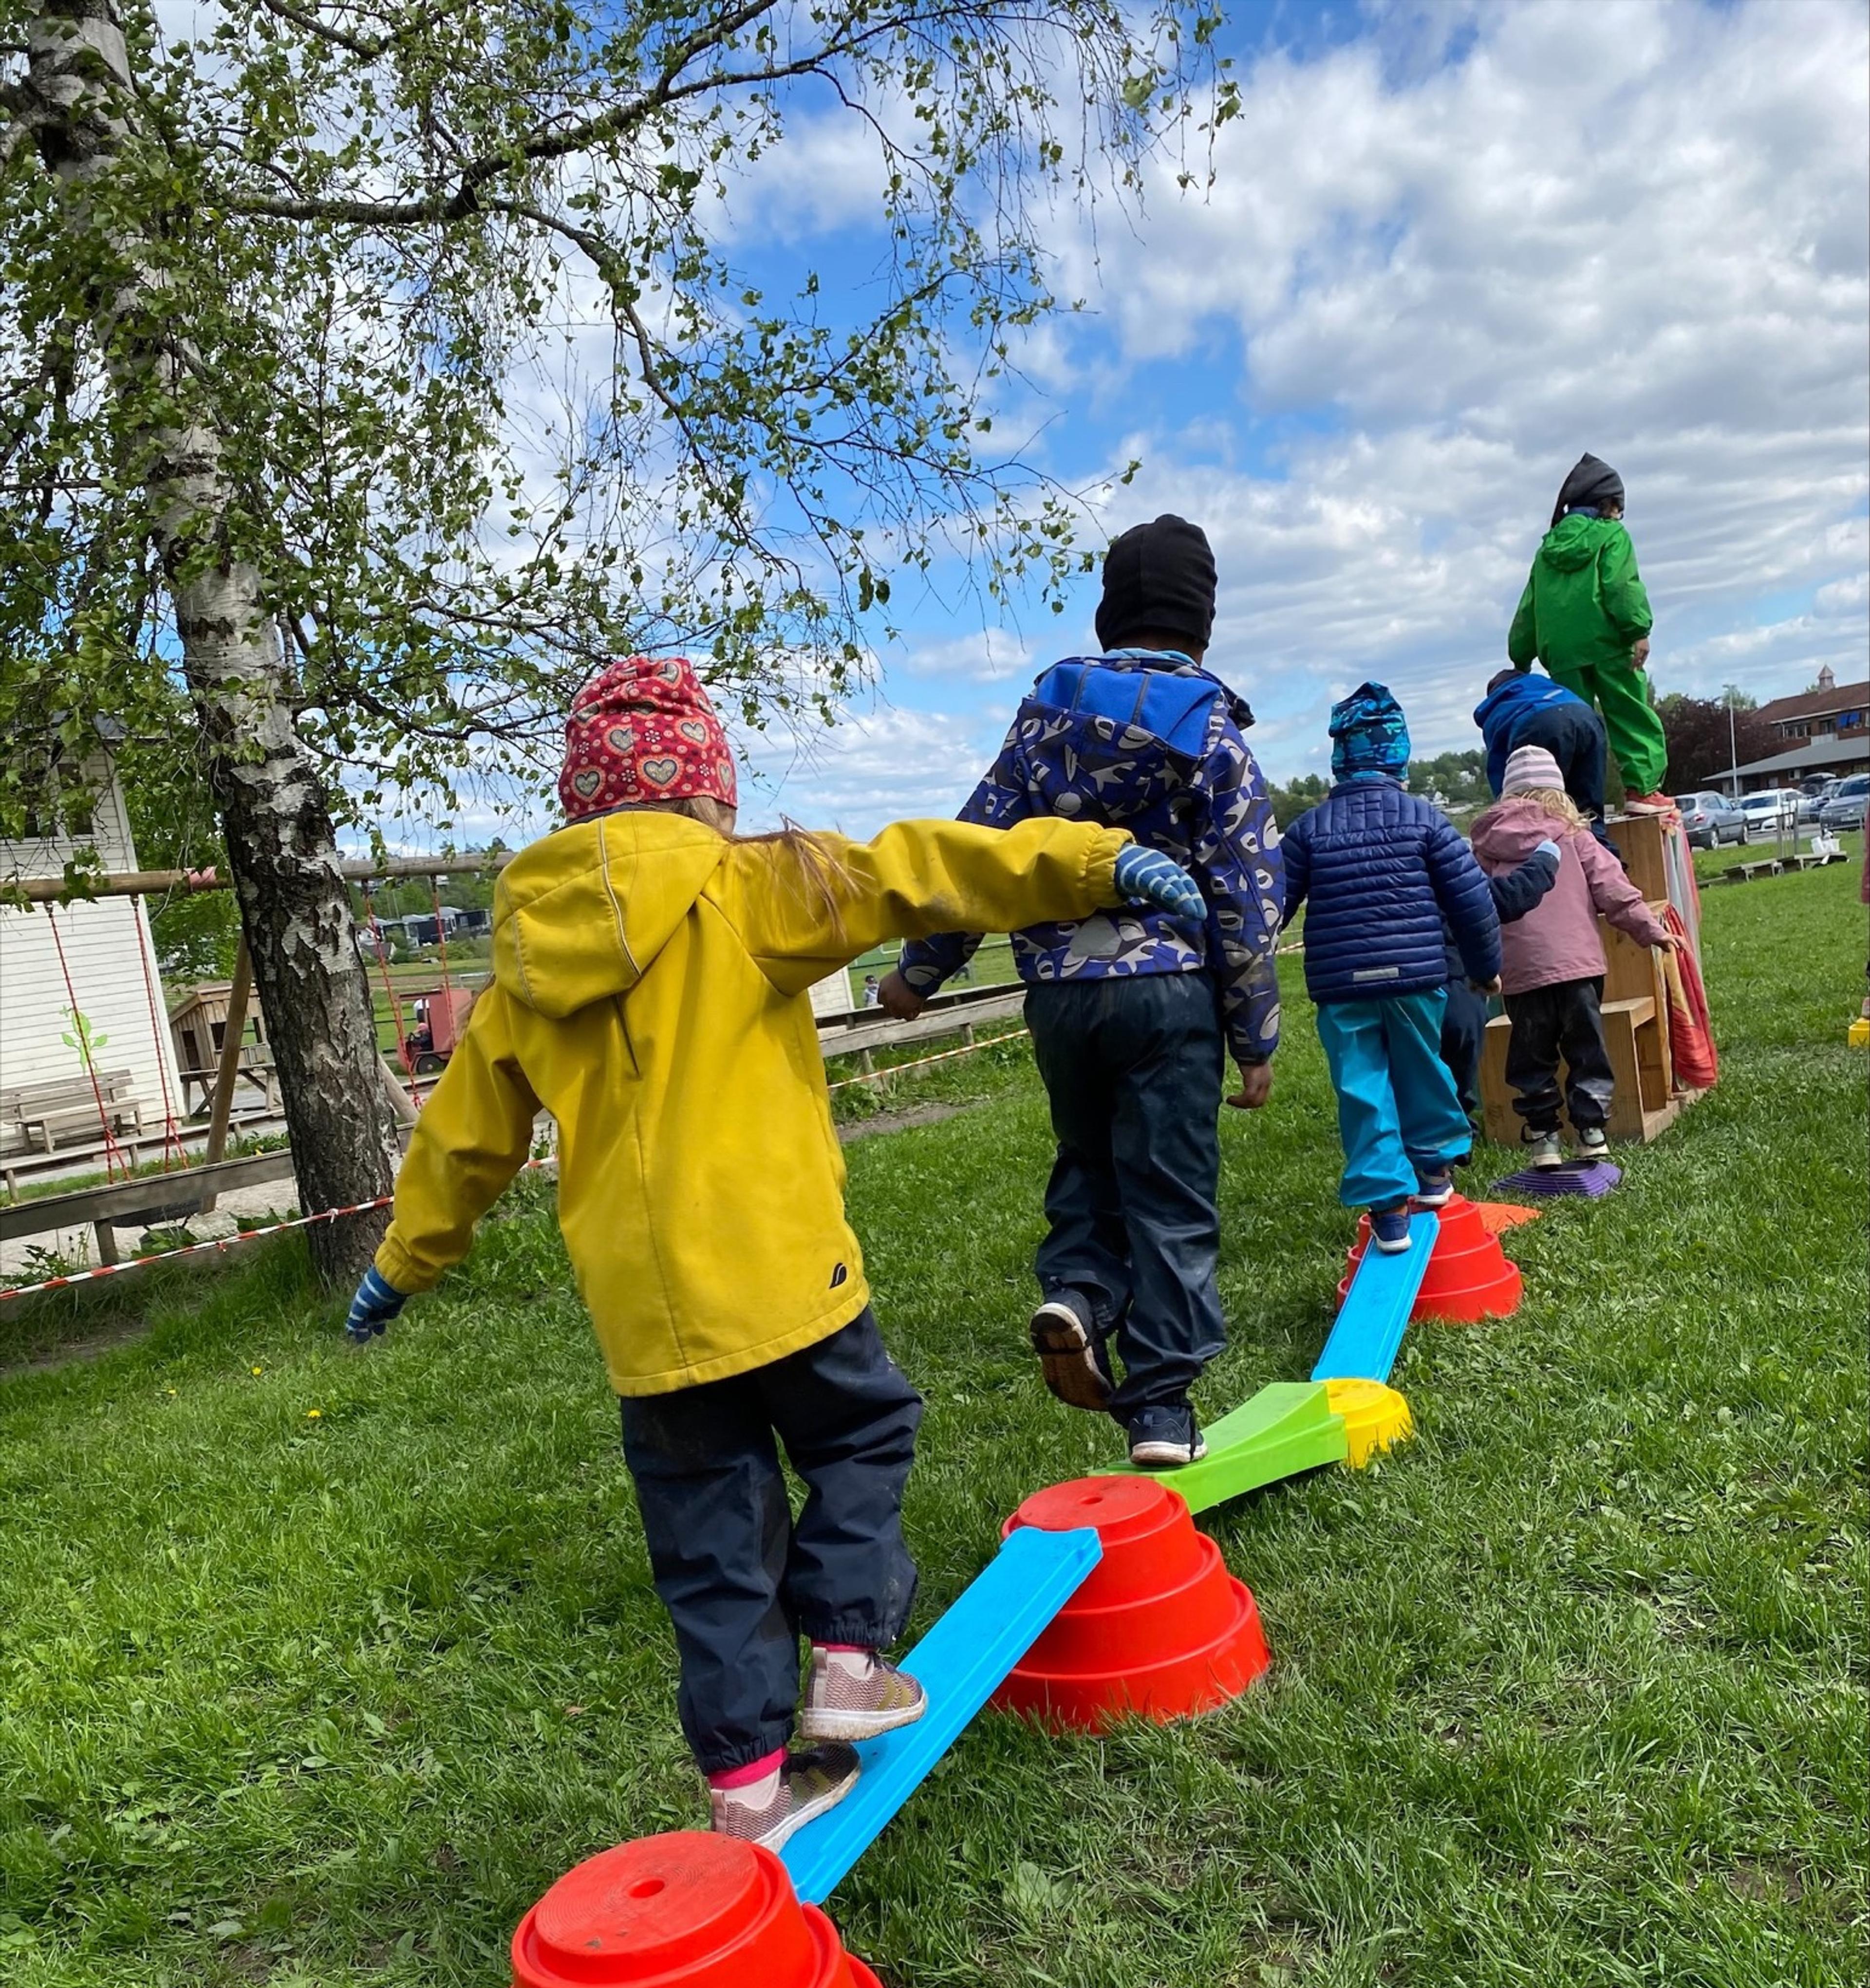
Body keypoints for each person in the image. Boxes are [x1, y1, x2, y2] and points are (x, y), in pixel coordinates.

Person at [342, 655, 1202, 1851]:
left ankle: (747, 1798)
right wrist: (1093, 862)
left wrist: (402, 1262)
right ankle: (847, 1663)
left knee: (709, 1547)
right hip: (787, 1278)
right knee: (862, 1431)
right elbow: (923, 869)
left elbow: (459, 1144)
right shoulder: (750, 887)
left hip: (647, 1324)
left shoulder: (524, 967)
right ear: (708, 794)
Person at [876, 513, 1283, 1469]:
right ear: (1202, 622)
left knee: (1089, 1162)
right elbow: (1245, 891)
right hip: (1168, 992)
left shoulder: (1040, 725)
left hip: (1062, 998)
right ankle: (1163, 1407)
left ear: (1108, 617)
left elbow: (977, 852)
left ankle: (1080, 1293)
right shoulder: (1212, 729)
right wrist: (1254, 1033)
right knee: (1170, 1188)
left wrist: (919, 970)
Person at [1282, 683, 1500, 1251]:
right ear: (1399, 755)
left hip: (1341, 985)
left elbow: (1268, 905)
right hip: (1416, 977)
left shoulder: (1308, 830)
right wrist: (1484, 970)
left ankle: (1388, 1210)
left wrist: (1244, 965)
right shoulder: (1424, 819)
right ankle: (1432, 1174)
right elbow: (1473, 904)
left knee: (1363, 1087)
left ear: (1339, 759)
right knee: (1423, 1070)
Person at [1471, 744, 1677, 1165]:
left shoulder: (1487, 847)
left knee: (1532, 1054)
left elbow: (1473, 907)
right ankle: (1592, 1131)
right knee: (1586, 1049)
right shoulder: (1574, 836)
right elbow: (1613, 889)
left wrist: (1479, 966)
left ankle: (1544, 1137)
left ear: (1507, 795)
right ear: (1560, 793)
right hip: (1579, 968)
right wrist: (1650, 931)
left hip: (1521, 972)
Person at [1507, 454, 1673, 815]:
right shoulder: (1612, 536)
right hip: (1609, 643)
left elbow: (1528, 606)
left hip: (1562, 653)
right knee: (1630, 713)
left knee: (1572, 724)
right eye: (1618, 508)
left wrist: (1520, 655)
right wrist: (1638, 630)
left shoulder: (1546, 550)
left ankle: (1574, 805)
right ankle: (1641, 791)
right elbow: (1620, 585)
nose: (1619, 515)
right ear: (1606, 504)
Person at [1438, 822, 1563, 1128]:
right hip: (1446, 978)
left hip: (1348, 986)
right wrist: (1546, 860)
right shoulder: (1432, 836)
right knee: (1455, 1055)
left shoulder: (1319, 834)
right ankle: (1447, 1144)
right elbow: (1495, 903)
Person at [1474, 665, 1609, 836]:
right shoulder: (1544, 685)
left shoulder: (1497, 707)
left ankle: (1557, 859)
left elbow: (1500, 768)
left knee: (1537, 819)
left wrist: (1506, 808)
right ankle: (1606, 858)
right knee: (1590, 813)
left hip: (1539, 726)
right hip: (1588, 719)